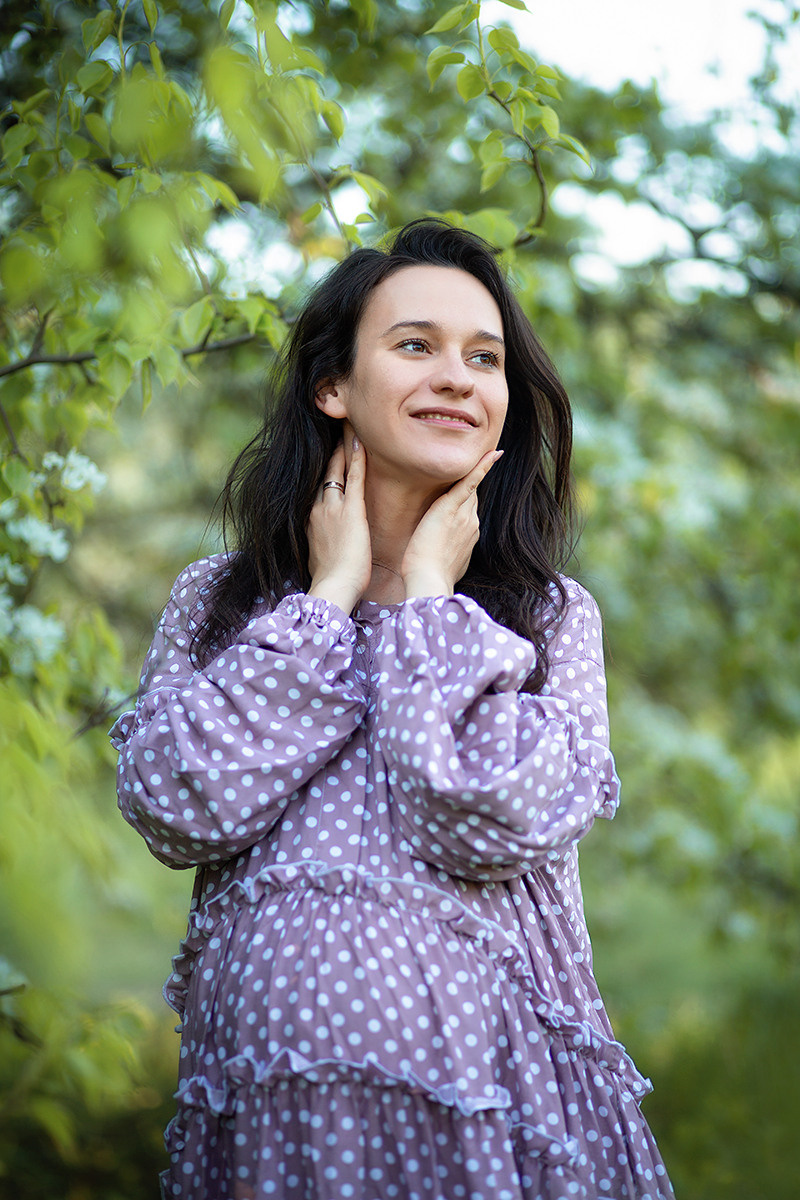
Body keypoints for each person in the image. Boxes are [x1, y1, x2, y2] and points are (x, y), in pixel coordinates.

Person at [111, 219, 675, 1200]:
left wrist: (425, 603)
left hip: (496, 1132)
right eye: (415, 345)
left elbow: (485, 814)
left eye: (483, 357)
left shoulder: (544, 620)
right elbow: (178, 801)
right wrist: (324, 605)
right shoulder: (221, 603)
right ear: (332, 386)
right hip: (273, 1146)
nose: (456, 376)